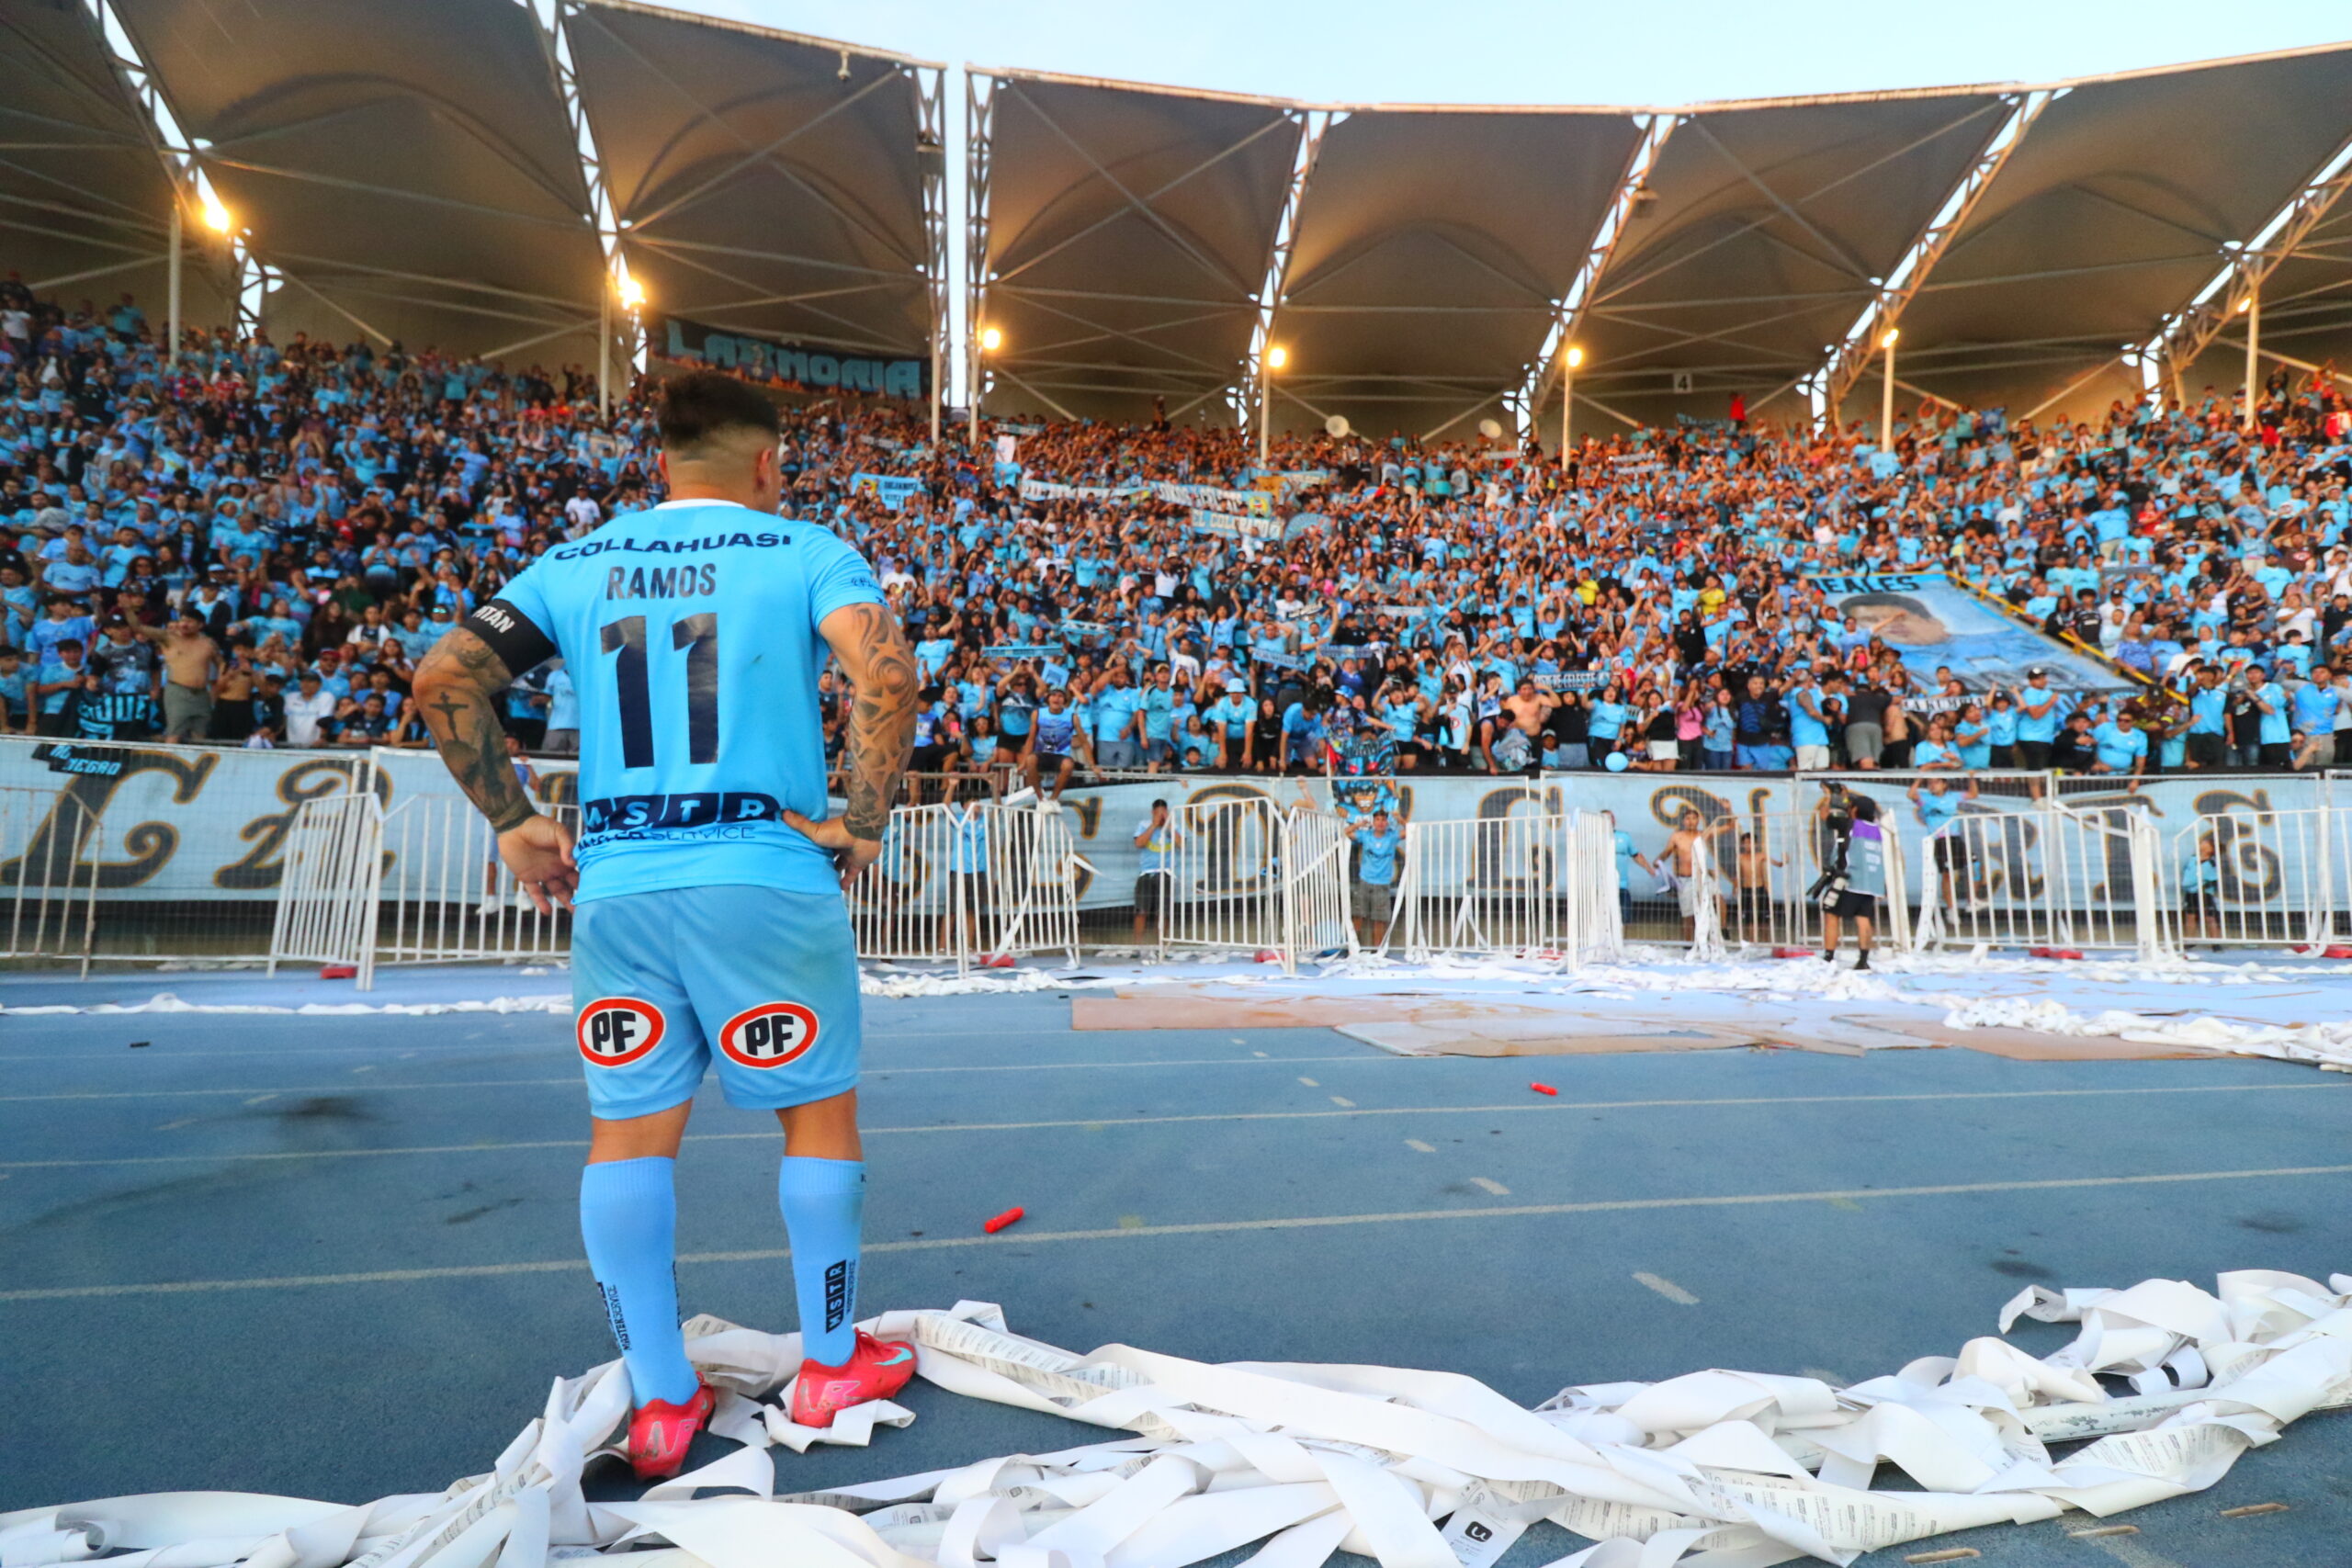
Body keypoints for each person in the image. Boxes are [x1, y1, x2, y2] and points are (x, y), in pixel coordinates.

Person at [411, 372, 922, 1477]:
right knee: (816, 1122)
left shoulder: (577, 563)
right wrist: (863, 821)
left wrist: (514, 820)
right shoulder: (801, 548)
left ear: (662, 464)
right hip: (762, 871)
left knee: (628, 1137)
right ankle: (832, 1363)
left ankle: (657, 1400)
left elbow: (445, 674)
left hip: (620, 879)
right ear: (765, 466)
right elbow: (883, 669)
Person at [1820, 795, 1885, 969]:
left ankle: (1828, 956)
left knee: (1832, 914)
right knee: (1863, 918)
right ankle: (1863, 960)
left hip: (1851, 880)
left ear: (1855, 809)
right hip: (1871, 883)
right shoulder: (1877, 829)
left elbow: (1824, 816)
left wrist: (1828, 796)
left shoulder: (1850, 825)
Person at [1659, 807, 1736, 944]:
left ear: (1698, 820)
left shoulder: (1704, 834)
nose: (1691, 821)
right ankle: (1688, 944)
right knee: (1688, 915)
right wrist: (1658, 861)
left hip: (1702, 877)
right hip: (1685, 879)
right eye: (1688, 818)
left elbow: (1730, 826)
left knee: (1719, 899)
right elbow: (1667, 852)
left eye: (1694, 818)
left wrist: (1728, 810)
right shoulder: (1677, 836)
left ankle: (1723, 927)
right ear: (1683, 820)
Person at [1350, 807, 1402, 948]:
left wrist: (1399, 819)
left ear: (1387, 822)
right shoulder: (1365, 836)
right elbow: (1346, 833)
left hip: (1382, 883)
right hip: (1365, 880)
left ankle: (1377, 951)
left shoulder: (1392, 837)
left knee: (1379, 919)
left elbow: (1410, 831)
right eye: (1377, 819)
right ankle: (1353, 949)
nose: (1380, 822)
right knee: (1358, 916)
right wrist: (1358, 825)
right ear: (1373, 822)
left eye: (1383, 819)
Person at [1132, 797, 1177, 947]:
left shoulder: (1174, 826)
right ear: (1152, 813)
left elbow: (1182, 843)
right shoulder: (1143, 825)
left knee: (1163, 912)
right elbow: (1139, 843)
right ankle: (1137, 946)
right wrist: (1154, 825)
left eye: (1163, 813)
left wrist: (1168, 826)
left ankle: (1162, 946)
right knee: (1141, 911)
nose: (1160, 816)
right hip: (1147, 872)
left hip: (1166, 873)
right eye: (1157, 813)